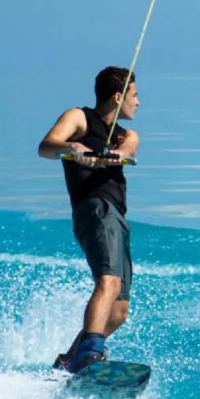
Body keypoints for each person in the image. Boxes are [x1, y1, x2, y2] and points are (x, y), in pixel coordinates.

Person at [38, 66, 141, 372]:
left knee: (120, 310)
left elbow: (128, 151)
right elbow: (46, 147)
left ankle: (71, 358)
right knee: (107, 282)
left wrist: (115, 155)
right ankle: (90, 354)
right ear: (118, 96)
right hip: (95, 209)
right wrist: (71, 147)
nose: (138, 103)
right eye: (134, 96)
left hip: (117, 218)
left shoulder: (128, 134)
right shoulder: (78, 118)